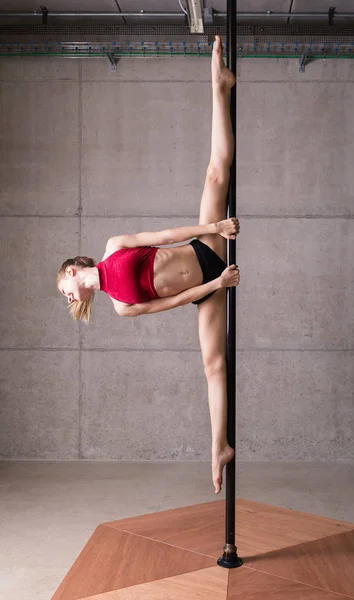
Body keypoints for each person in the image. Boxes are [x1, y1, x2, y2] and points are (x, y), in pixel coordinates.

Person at [57, 35, 238, 494]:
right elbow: (176, 301)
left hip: (201, 247)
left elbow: (161, 237)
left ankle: (218, 86)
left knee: (216, 173)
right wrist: (217, 282)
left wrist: (213, 225)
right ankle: (219, 447)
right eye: (65, 295)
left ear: (76, 270)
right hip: (208, 284)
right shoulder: (119, 306)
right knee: (212, 365)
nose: (68, 294)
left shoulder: (115, 246)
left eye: (65, 284)